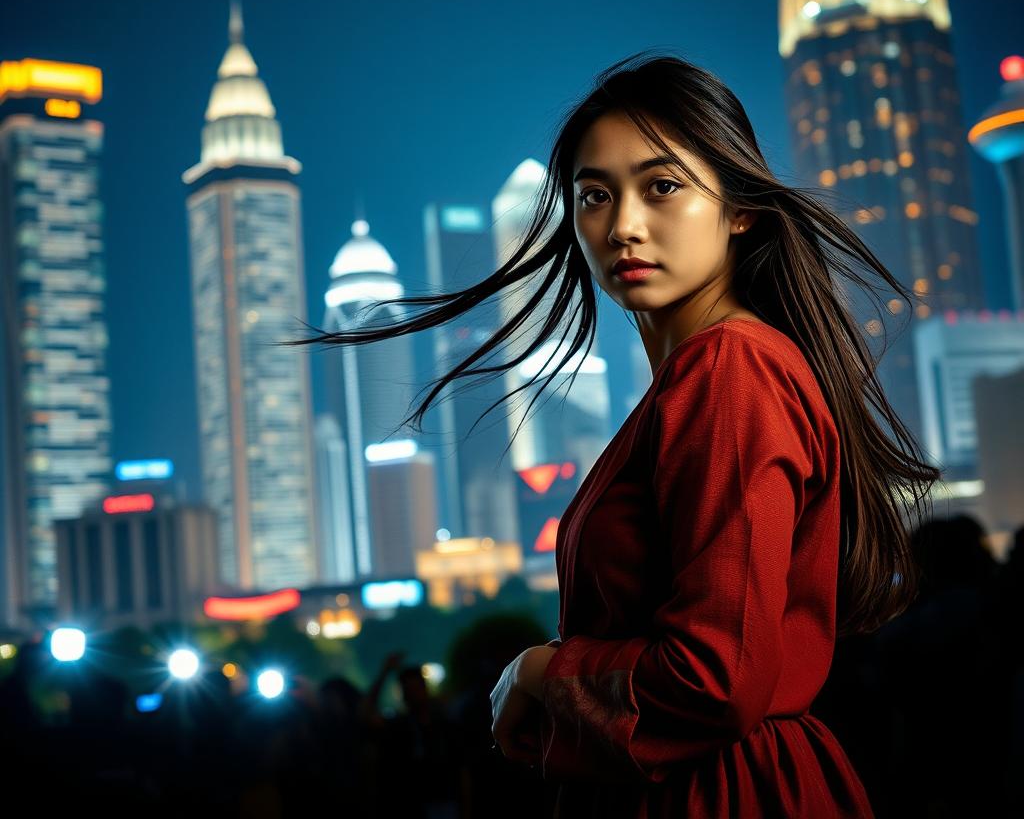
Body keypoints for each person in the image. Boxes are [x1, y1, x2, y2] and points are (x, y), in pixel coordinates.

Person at [284, 53, 939, 817]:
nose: (623, 225)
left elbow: (715, 677)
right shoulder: (704, 375)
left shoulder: (730, 368)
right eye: (595, 195)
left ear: (739, 206)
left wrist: (540, 671)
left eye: (662, 186)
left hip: (717, 797)